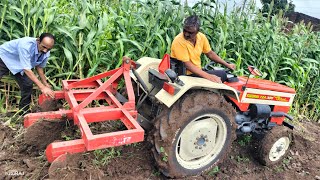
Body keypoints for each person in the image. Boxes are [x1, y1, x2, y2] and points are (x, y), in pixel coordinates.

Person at [0, 33, 55, 114]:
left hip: (20, 64)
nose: (45, 50)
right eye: (43, 47)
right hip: (5, 57)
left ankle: (23, 112)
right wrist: (42, 87)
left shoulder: (46, 51)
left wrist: (45, 83)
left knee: (28, 84)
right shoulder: (25, 45)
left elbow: (39, 67)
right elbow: (26, 69)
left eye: (48, 49)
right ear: (38, 40)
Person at [170, 15, 236, 83]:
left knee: (221, 74)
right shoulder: (179, 41)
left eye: (190, 32)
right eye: (185, 30)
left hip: (197, 72)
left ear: (198, 31)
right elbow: (187, 65)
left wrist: (227, 64)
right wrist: (209, 76)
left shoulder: (201, 37)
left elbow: (210, 54)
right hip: (185, 75)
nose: (186, 34)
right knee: (222, 75)